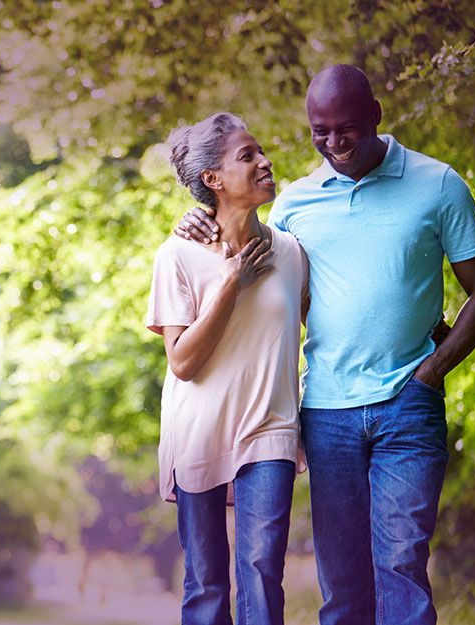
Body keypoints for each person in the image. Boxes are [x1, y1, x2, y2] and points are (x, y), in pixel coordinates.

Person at [174, 65, 475, 625]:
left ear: (375, 114)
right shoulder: (296, 203)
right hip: (326, 411)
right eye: (319, 133)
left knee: (401, 561)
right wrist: (198, 219)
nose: (334, 143)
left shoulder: (438, 184)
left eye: (345, 128)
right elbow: (256, 262)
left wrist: (432, 370)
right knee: (343, 579)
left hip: (408, 403)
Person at [147, 112, 309, 625]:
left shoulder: (293, 252)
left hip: (271, 428)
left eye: (260, 151)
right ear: (213, 181)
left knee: (262, 572)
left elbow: (334, 323)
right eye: (247, 156)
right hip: (198, 433)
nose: (264, 162)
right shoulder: (177, 255)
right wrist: (230, 286)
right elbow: (184, 362)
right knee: (206, 583)